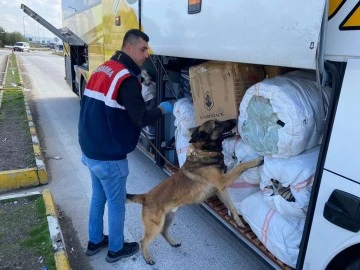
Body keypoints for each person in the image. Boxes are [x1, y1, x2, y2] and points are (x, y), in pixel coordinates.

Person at [78, 29, 173, 263]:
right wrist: (162, 109)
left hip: (90, 150)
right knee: (117, 203)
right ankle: (116, 249)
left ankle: (95, 241)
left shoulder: (103, 68)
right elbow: (140, 117)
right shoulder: (126, 80)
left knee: (98, 198)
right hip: (109, 156)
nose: (146, 55)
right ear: (128, 48)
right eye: (142, 49)